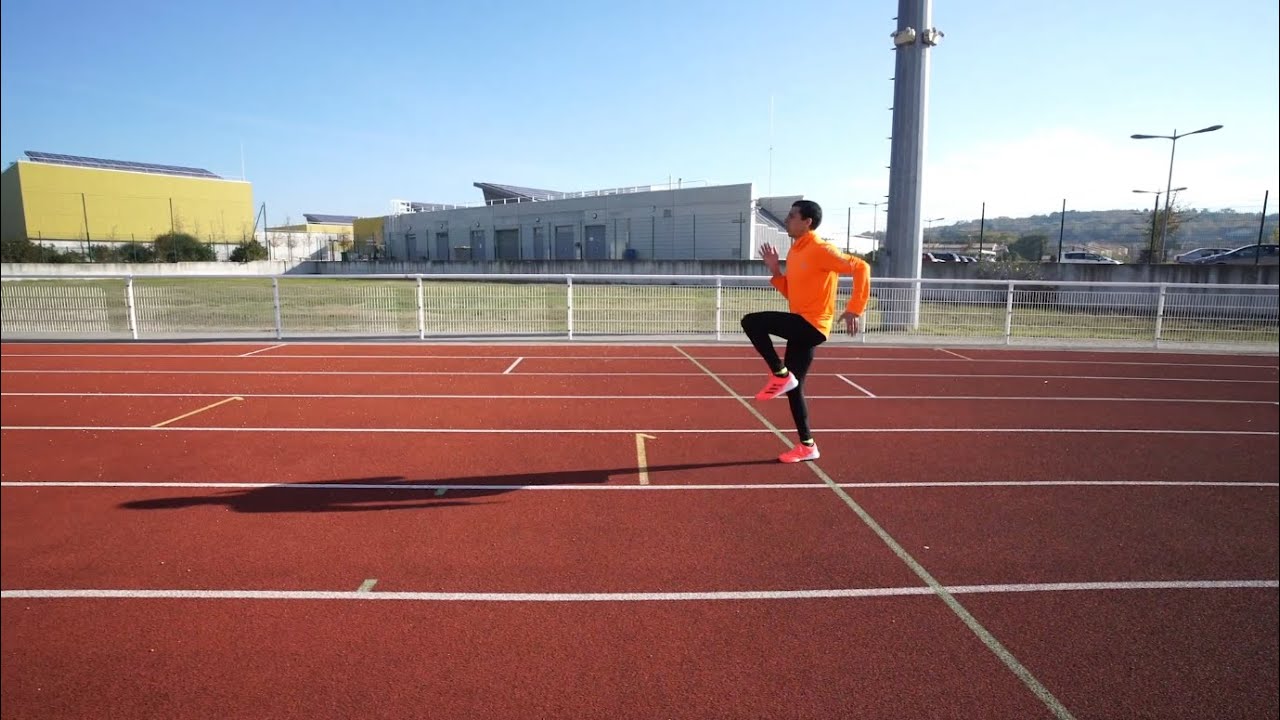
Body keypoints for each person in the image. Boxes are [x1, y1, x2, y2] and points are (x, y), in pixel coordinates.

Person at [740, 199, 871, 463]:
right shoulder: (797, 252)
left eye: (791, 216)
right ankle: (807, 445)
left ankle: (779, 373)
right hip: (802, 322)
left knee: (752, 321)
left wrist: (855, 307)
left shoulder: (821, 249)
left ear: (807, 222)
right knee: (795, 389)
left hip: (812, 325)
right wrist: (775, 269)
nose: (787, 220)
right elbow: (793, 294)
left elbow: (861, 267)